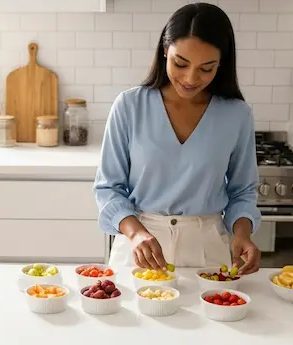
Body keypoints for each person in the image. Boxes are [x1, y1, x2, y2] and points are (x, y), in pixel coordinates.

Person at [93, 2, 261, 275]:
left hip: (207, 249)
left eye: (206, 68)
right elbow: (108, 188)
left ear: (221, 64)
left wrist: (243, 234)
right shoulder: (129, 105)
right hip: (139, 247)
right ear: (164, 51)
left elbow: (242, 191)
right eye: (180, 63)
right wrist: (135, 234)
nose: (190, 78)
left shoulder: (237, 115)